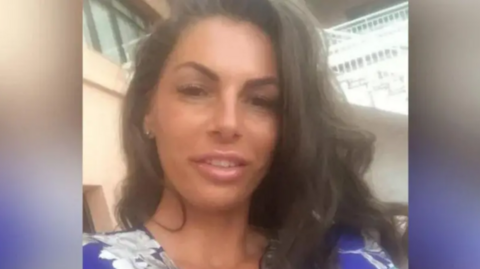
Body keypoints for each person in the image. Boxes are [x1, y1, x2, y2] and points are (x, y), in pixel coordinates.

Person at [83, 0, 408, 268]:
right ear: (146, 111)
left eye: (261, 101)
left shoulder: (343, 257)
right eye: (195, 90)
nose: (228, 123)